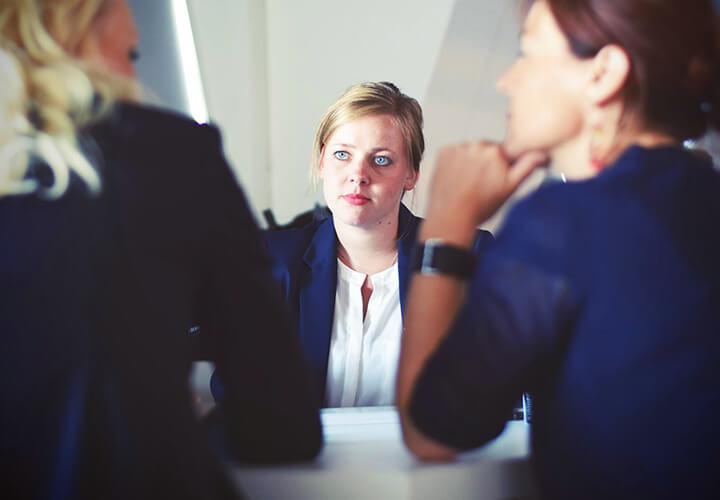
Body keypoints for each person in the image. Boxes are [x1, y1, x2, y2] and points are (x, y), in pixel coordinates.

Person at [397, 0, 720, 499]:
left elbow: (431, 432)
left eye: (528, 53)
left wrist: (447, 219)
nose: (507, 80)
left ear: (604, 73)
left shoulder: (564, 222)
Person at [0, 1, 321, 499]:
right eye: (132, 53)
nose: (132, 74)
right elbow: (281, 424)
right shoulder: (172, 156)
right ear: (75, 26)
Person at [230, 82, 492, 408]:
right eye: (343, 155)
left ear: (411, 174)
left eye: (381, 160)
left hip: (421, 457)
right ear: (322, 160)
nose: (358, 175)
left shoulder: (466, 255)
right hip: (304, 457)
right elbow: (235, 391)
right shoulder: (272, 260)